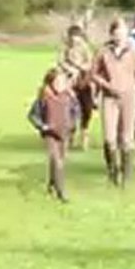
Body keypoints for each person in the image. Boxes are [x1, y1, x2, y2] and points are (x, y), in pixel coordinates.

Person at [92, 16, 135, 187]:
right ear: (111, 34)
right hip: (109, 98)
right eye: (116, 33)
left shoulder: (134, 53)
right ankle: (112, 170)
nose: (120, 36)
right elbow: (93, 74)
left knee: (126, 137)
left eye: (123, 32)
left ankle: (127, 175)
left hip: (129, 96)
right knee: (109, 138)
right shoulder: (103, 52)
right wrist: (106, 85)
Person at [27, 68, 79, 203]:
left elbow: (76, 111)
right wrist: (42, 126)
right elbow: (32, 115)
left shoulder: (70, 96)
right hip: (50, 134)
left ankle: (52, 183)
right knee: (57, 161)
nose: (60, 85)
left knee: (60, 160)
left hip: (65, 133)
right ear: (50, 83)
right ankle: (62, 192)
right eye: (57, 82)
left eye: (63, 82)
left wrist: (73, 124)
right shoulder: (44, 97)